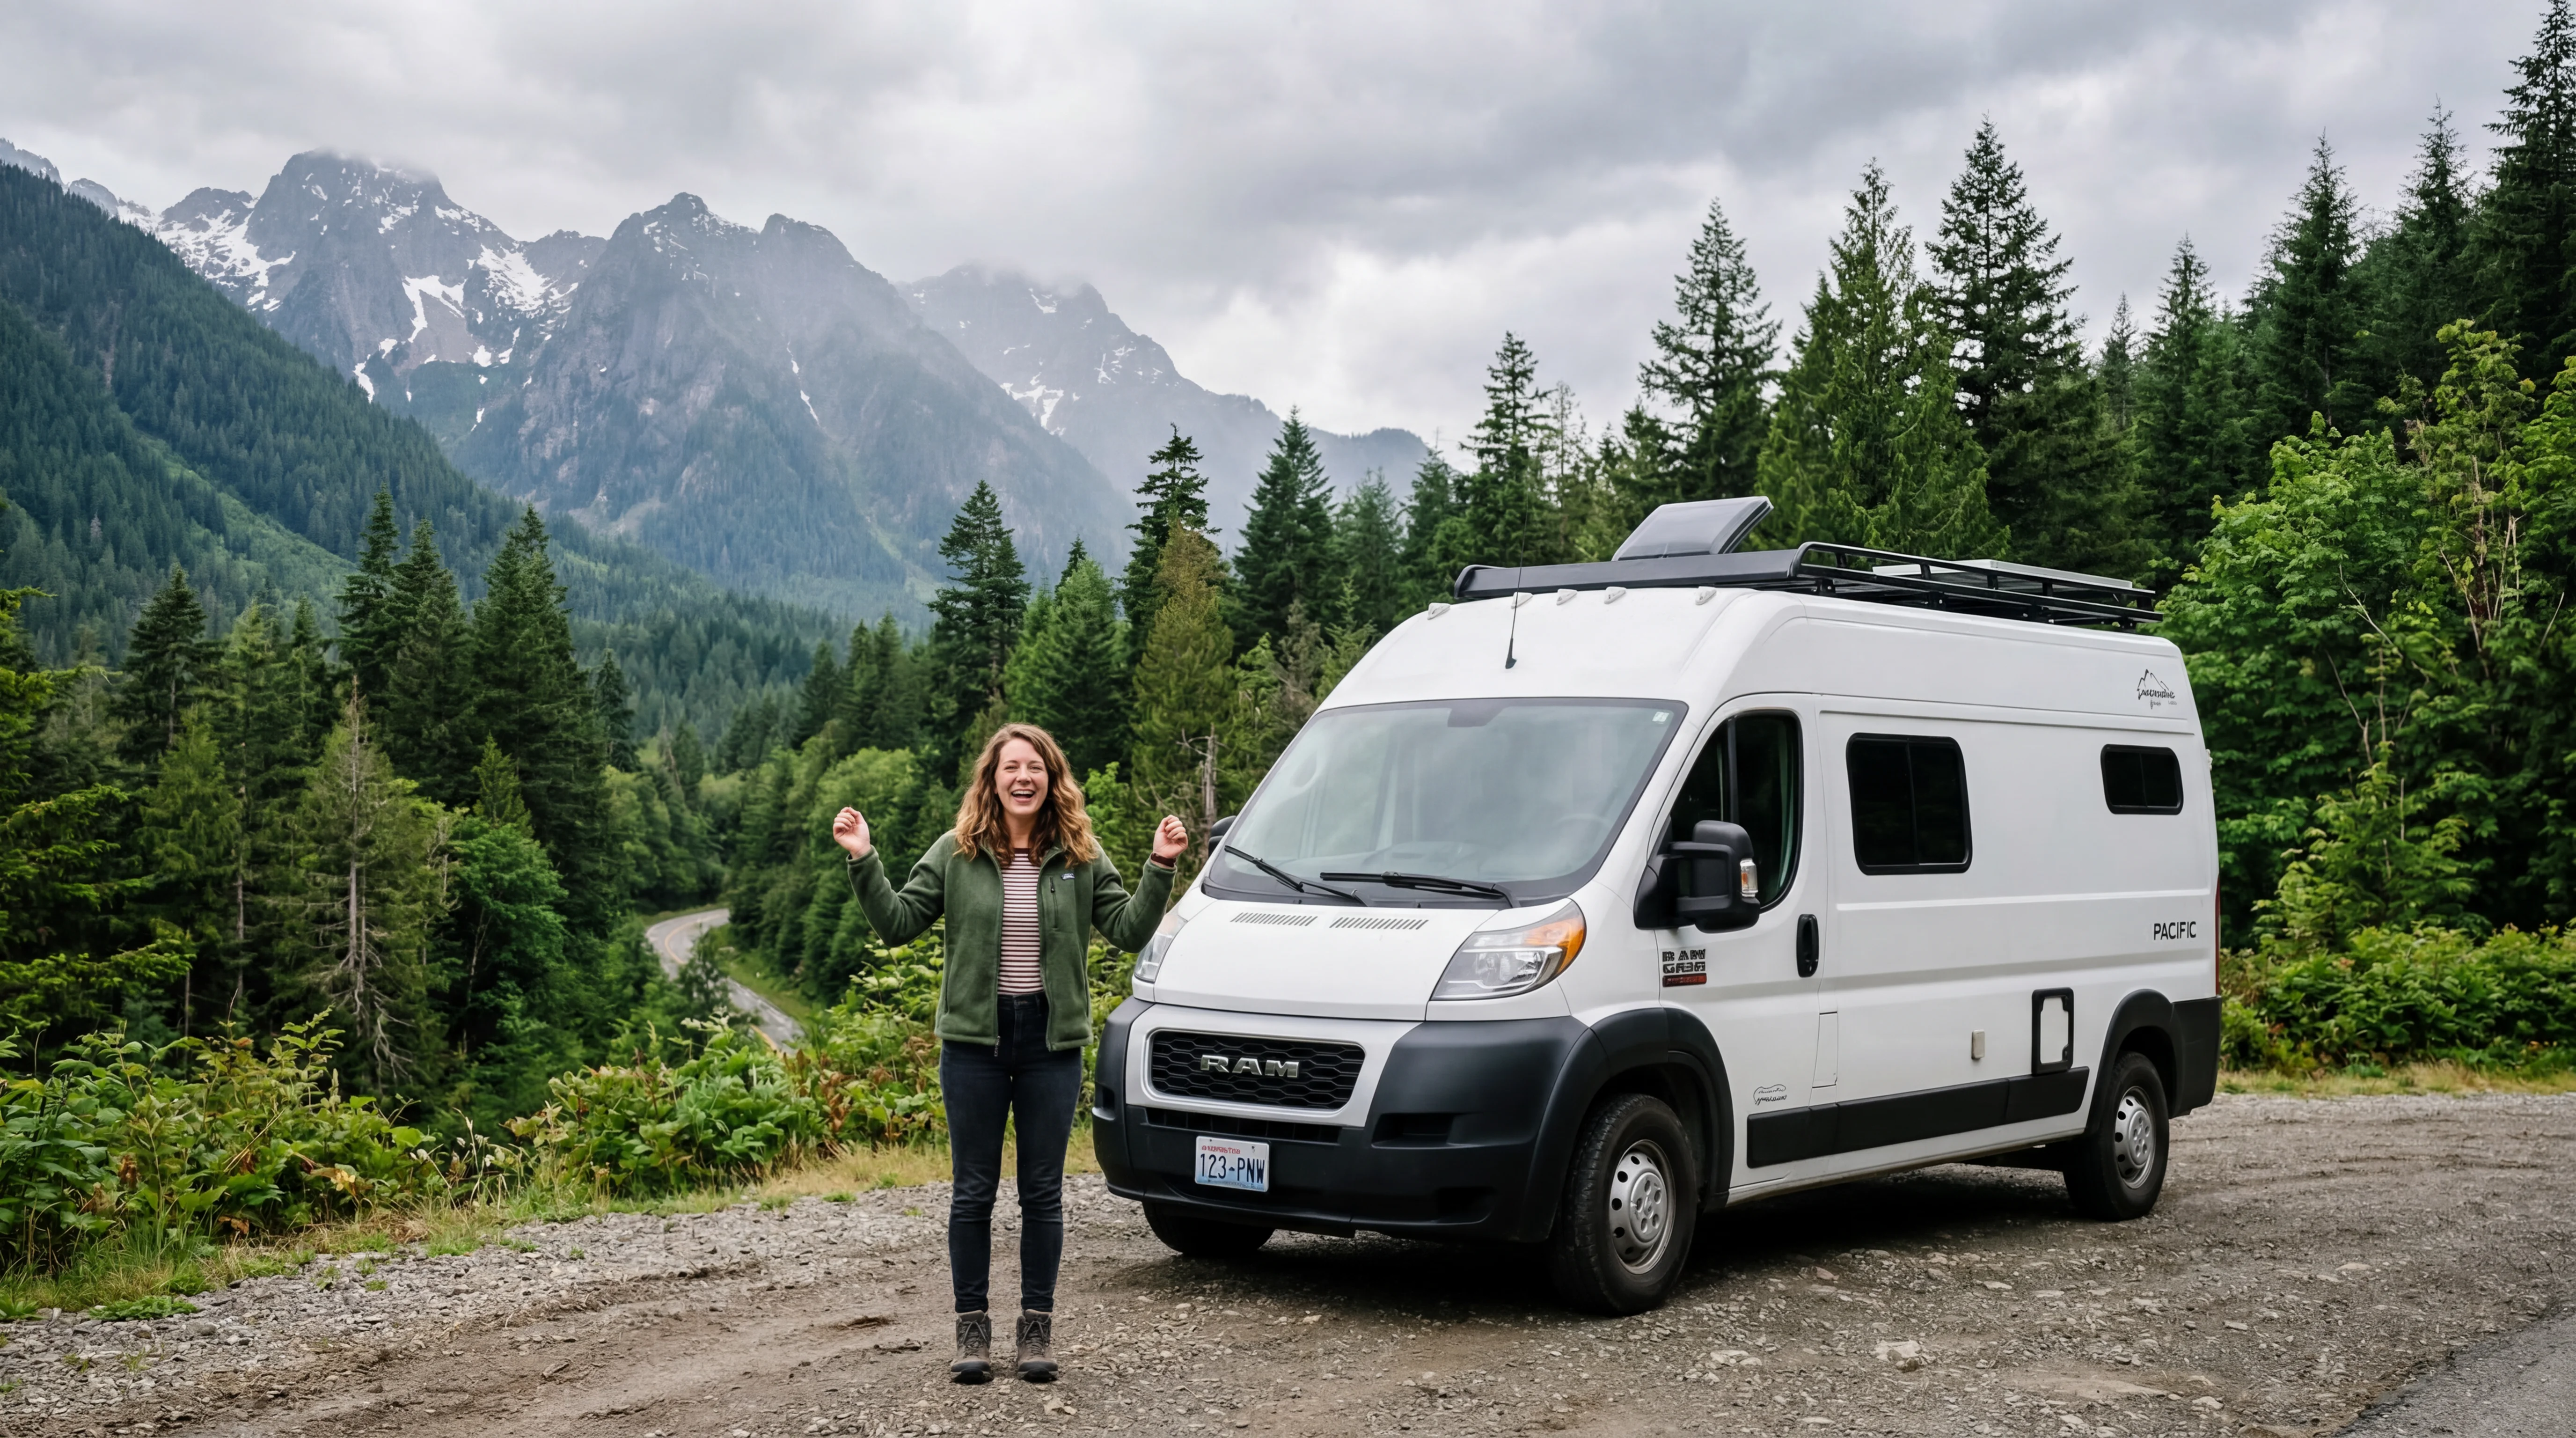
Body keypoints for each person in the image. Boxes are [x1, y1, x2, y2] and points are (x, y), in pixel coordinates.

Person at [832, 722, 1187, 1383]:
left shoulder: (1080, 855)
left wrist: (1160, 865)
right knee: (972, 1192)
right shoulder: (956, 853)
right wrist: (864, 857)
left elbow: (1130, 929)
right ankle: (972, 1331)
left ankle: (1035, 1331)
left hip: (1051, 1044)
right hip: (974, 1043)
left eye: (1036, 768)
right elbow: (898, 923)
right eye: (1010, 768)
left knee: (1042, 1193)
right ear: (991, 780)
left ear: (1053, 780)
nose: (1023, 778)